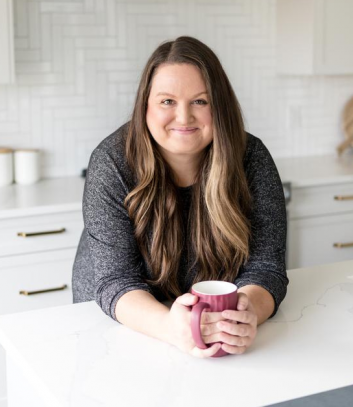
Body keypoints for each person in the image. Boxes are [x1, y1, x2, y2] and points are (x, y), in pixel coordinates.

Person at [72, 36, 288, 358]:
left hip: (211, 328)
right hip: (122, 327)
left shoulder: (251, 158)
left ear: (220, 106)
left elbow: (267, 267)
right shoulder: (112, 162)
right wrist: (172, 329)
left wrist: (246, 315)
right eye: (167, 102)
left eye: (200, 101)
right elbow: (116, 280)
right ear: (145, 106)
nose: (184, 117)